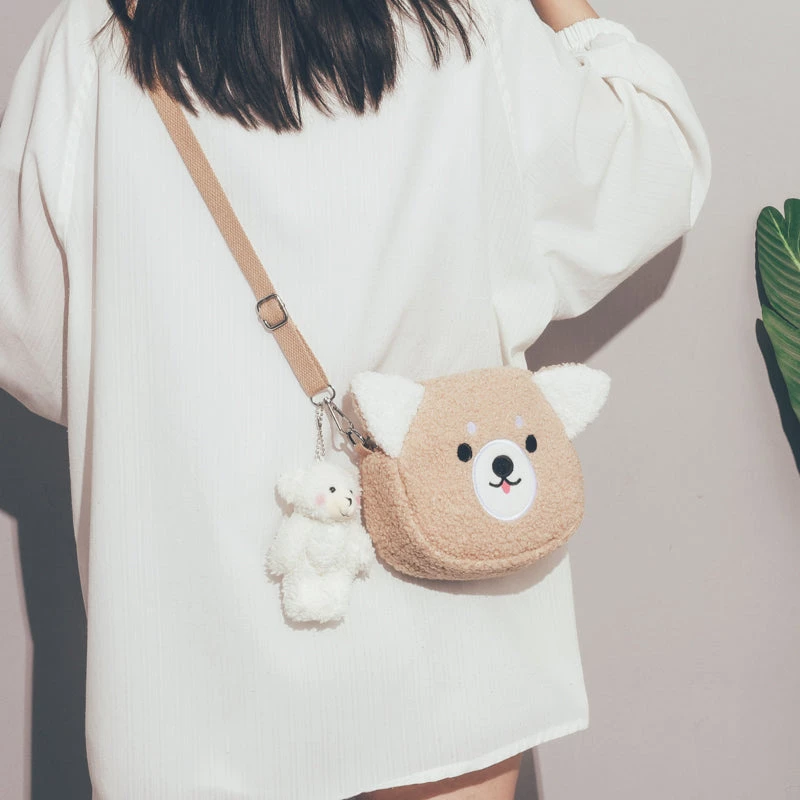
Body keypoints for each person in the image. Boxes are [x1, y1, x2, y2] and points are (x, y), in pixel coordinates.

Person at [0, 0, 711, 796]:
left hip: (195, 640)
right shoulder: (465, 19)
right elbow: (647, 178)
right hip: (445, 603)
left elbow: (34, 341)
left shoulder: (94, 40)